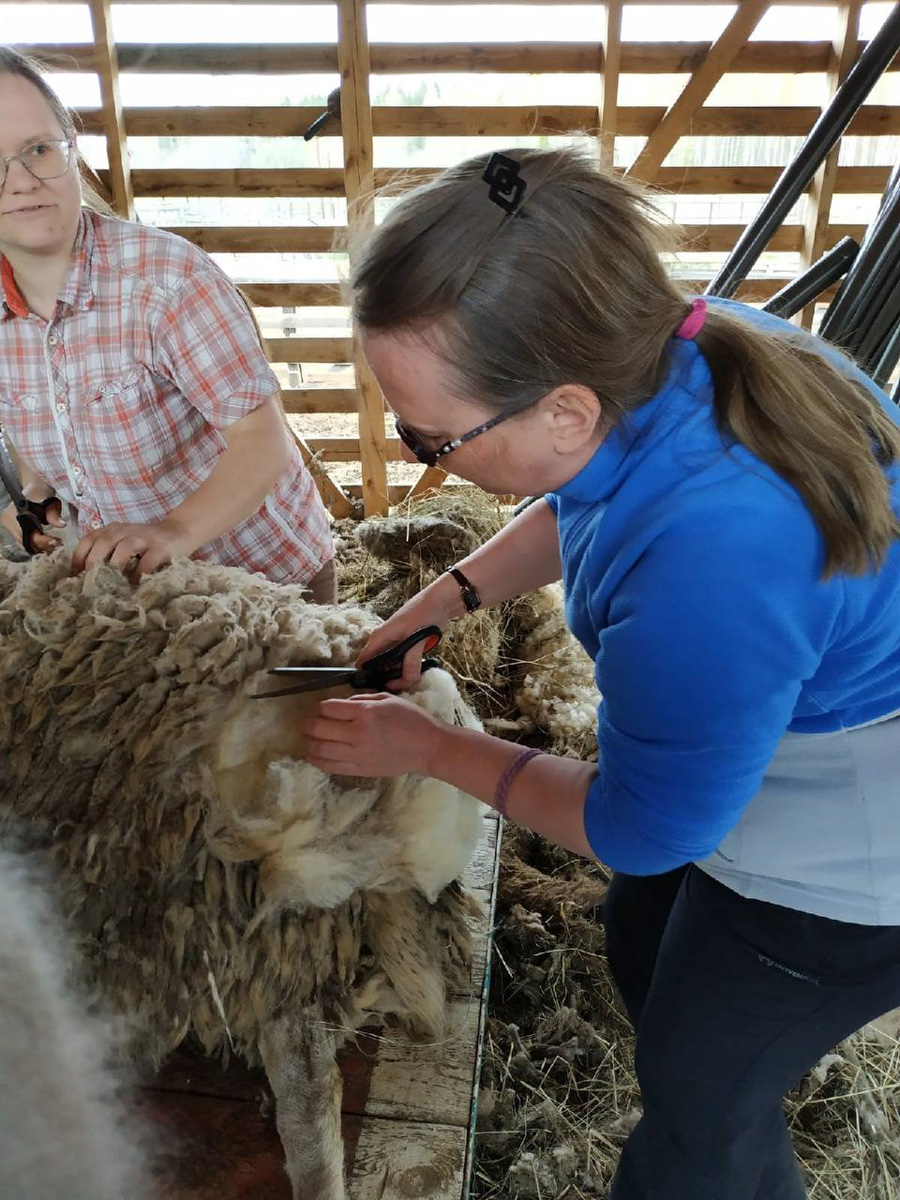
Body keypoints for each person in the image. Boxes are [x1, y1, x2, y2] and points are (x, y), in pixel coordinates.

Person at [300, 146, 900, 1199]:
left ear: (563, 409)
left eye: (428, 438)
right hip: (768, 733)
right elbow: (584, 497)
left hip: (854, 847)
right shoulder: (681, 348)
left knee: (699, 1100)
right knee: (642, 936)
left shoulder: (715, 552)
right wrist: (443, 601)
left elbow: (641, 829)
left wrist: (433, 750)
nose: (413, 460)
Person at [0, 48, 335, 599]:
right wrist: (39, 492)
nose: (22, 180)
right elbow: (32, 421)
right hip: (144, 594)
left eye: (38, 149)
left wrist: (170, 532)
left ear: (71, 153)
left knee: (301, 683)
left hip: (266, 578)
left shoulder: (165, 280)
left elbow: (263, 442)